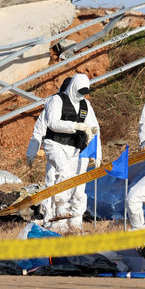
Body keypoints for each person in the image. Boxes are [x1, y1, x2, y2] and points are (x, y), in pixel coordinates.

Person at [42, 73, 101, 232]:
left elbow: (95, 129)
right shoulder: (57, 100)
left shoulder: (86, 105)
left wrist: (97, 153)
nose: (81, 95)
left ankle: (75, 221)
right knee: (63, 173)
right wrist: (75, 126)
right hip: (55, 144)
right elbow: (53, 123)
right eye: (79, 90)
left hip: (75, 148)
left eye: (84, 92)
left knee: (78, 184)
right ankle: (58, 214)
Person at [26, 77, 71, 224]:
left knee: (73, 184)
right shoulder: (53, 104)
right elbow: (40, 129)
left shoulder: (80, 105)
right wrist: (32, 152)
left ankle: (70, 221)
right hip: (55, 148)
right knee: (52, 181)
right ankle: (49, 218)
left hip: (73, 151)